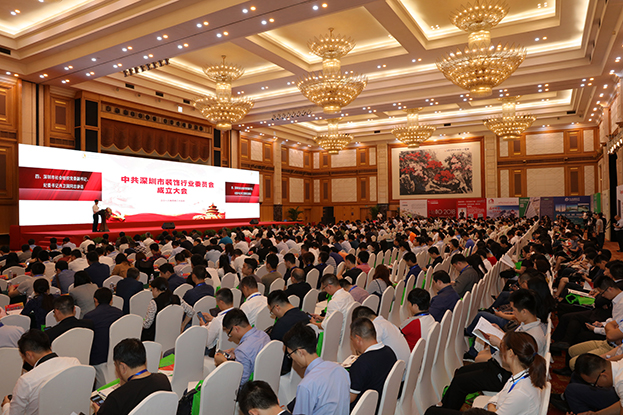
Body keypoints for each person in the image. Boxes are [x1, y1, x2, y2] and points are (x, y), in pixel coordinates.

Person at [438, 289, 547, 410]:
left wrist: (500, 343)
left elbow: (518, 359)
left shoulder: (534, 336)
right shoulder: (526, 325)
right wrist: (501, 333)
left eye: (514, 310)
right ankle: (444, 406)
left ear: (524, 311)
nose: (513, 313)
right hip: (498, 365)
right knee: (461, 371)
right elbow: (515, 345)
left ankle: (446, 410)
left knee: (460, 382)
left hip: (504, 373)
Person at [426, 331, 547, 415]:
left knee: (432, 412)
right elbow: (496, 398)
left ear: (511, 353)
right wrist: (492, 406)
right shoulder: (522, 375)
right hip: (493, 410)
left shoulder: (520, 391)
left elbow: (495, 406)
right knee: (433, 411)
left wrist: (492, 406)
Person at [0, 330, 80, 415]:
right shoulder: (74, 363)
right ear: (50, 347)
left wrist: (6, 405)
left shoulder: (27, 380)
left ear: (29, 355)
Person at [282, 323, 350, 415]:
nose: (292, 359)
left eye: (290, 354)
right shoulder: (340, 370)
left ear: (300, 352)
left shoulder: (306, 385)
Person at [92, 339, 172, 415]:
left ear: (123, 367)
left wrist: (98, 412)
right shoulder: (163, 380)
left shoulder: (116, 398)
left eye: (116, 365)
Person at [348, 317, 397, 411]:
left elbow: (350, 398)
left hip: (362, 410)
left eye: (351, 339)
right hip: (382, 406)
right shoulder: (390, 352)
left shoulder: (362, 363)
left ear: (358, 339)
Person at [214, 309, 270, 387]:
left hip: (250, 389)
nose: (231, 336)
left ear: (236, 329)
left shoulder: (242, 350)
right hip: (266, 381)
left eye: (229, 333)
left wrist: (224, 363)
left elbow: (240, 382)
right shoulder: (264, 335)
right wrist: (237, 353)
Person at [84, 287, 124, 386]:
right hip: (117, 352)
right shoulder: (119, 313)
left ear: (95, 300)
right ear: (111, 300)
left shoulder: (89, 316)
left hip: (98, 356)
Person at [141, 277, 193, 341]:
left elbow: (147, 325)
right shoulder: (177, 298)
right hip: (174, 336)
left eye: (152, 289)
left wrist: (141, 324)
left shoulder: (154, 303)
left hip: (155, 337)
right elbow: (191, 311)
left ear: (156, 289)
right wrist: (183, 325)